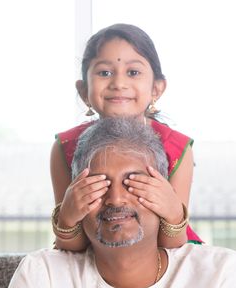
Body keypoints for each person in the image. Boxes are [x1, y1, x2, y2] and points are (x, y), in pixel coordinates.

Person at [0, 118, 236, 288]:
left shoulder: (221, 273)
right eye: (98, 184)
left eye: (133, 182)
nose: (115, 198)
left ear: (163, 194)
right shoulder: (42, 274)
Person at [50, 23, 202, 252]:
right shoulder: (65, 147)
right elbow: (71, 249)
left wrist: (172, 212)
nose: (119, 83)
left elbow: (173, 247)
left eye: (133, 72)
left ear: (157, 88)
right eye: (104, 73)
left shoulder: (177, 148)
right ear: (83, 91)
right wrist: (69, 218)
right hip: (94, 262)